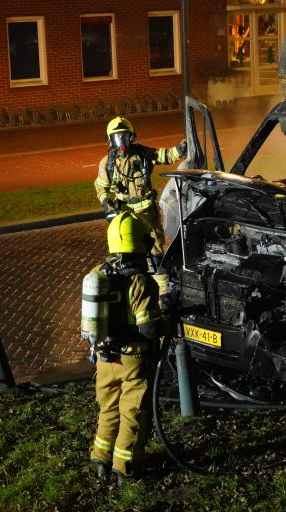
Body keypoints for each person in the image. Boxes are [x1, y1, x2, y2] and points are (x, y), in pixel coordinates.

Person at [88, 211, 170, 484]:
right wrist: (168, 321)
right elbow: (149, 328)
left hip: (103, 357)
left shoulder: (98, 274)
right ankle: (125, 467)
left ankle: (100, 458)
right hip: (132, 360)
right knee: (132, 414)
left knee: (107, 409)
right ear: (141, 243)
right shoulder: (141, 282)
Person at [95, 116, 187, 253]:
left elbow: (164, 155)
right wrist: (106, 202)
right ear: (110, 140)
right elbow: (101, 186)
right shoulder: (107, 163)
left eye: (124, 138)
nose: (121, 143)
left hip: (147, 212)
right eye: (117, 138)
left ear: (131, 137)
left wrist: (179, 150)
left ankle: (156, 272)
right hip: (124, 213)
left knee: (155, 247)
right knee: (129, 247)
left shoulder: (143, 154)